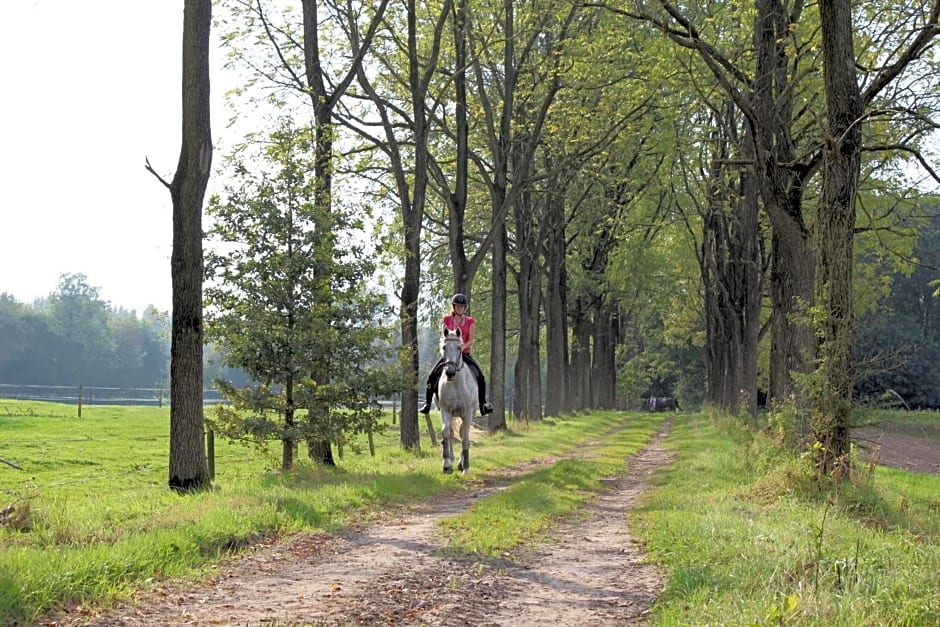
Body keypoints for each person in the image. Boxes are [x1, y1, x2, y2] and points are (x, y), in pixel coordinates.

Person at [419, 293, 494, 415]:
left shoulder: (470, 321)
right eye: (457, 306)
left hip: (464, 354)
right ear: (454, 307)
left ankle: (483, 404)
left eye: (462, 306)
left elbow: (471, 339)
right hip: (449, 355)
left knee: (481, 377)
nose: (460, 308)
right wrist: (445, 351)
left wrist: (462, 347)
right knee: (431, 376)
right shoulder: (447, 320)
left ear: (465, 308)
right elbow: (443, 337)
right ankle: (427, 404)